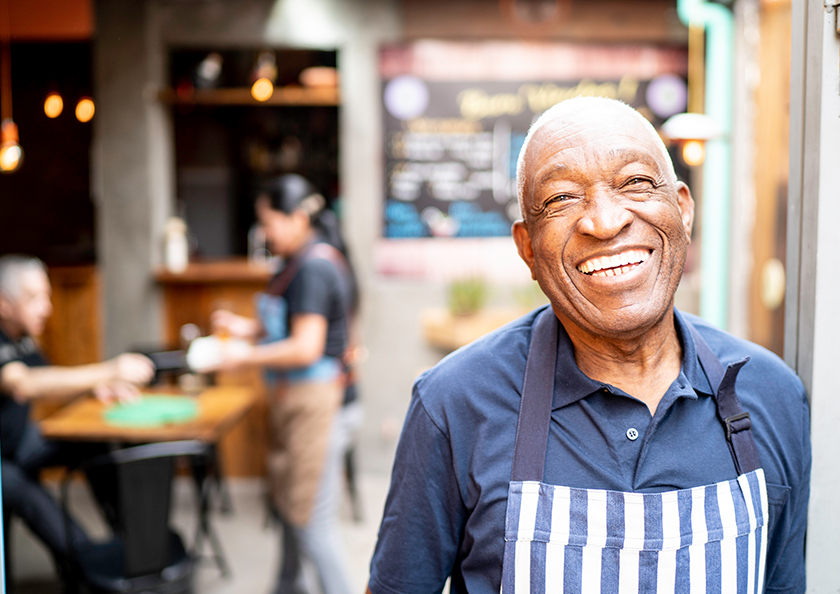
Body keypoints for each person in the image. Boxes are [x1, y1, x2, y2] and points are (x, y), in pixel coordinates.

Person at [367, 97, 810, 593]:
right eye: (561, 199)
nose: (604, 221)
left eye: (636, 183)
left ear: (683, 209)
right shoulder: (453, 405)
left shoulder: (771, 395)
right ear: (528, 248)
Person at [207, 174, 356, 594]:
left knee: (311, 521)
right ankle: (287, 586)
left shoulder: (312, 267)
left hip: (320, 405)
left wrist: (243, 356)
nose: (264, 231)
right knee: (292, 510)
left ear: (295, 219)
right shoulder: (295, 261)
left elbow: (306, 347)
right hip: (300, 403)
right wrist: (243, 329)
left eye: (269, 221)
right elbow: (286, 324)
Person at [0, 254, 155, 590]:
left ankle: (132, 542)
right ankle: (89, 567)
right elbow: (23, 383)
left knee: (90, 440)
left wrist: (96, 387)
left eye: (47, 296)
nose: (46, 307)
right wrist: (109, 369)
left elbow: (48, 381)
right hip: (2, 461)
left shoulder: (22, 336)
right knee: (25, 491)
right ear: (4, 304)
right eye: (34, 299)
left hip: (19, 442)